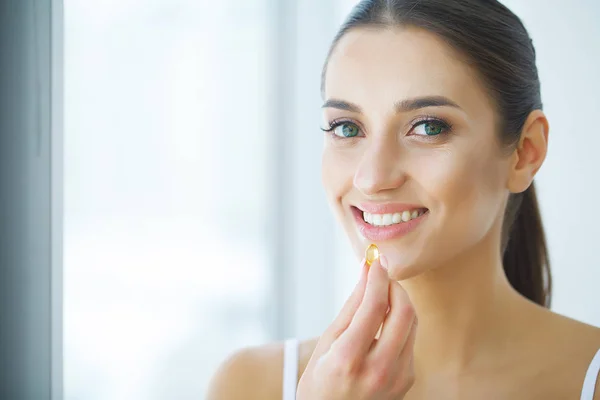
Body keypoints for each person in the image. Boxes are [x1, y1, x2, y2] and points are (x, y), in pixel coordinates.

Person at [206, 0, 600, 398]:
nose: (373, 178)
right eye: (346, 128)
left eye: (428, 127)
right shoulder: (251, 385)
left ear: (525, 152)